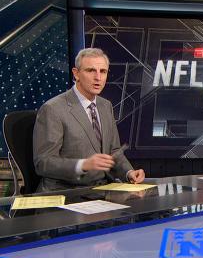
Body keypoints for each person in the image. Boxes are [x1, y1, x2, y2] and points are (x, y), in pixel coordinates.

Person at [33, 48, 145, 192]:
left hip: (100, 190)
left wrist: (128, 173)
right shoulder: (53, 109)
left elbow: (114, 151)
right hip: (66, 192)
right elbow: (43, 162)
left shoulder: (105, 105)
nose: (98, 77)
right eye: (91, 70)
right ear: (76, 73)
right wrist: (83, 165)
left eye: (103, 71)